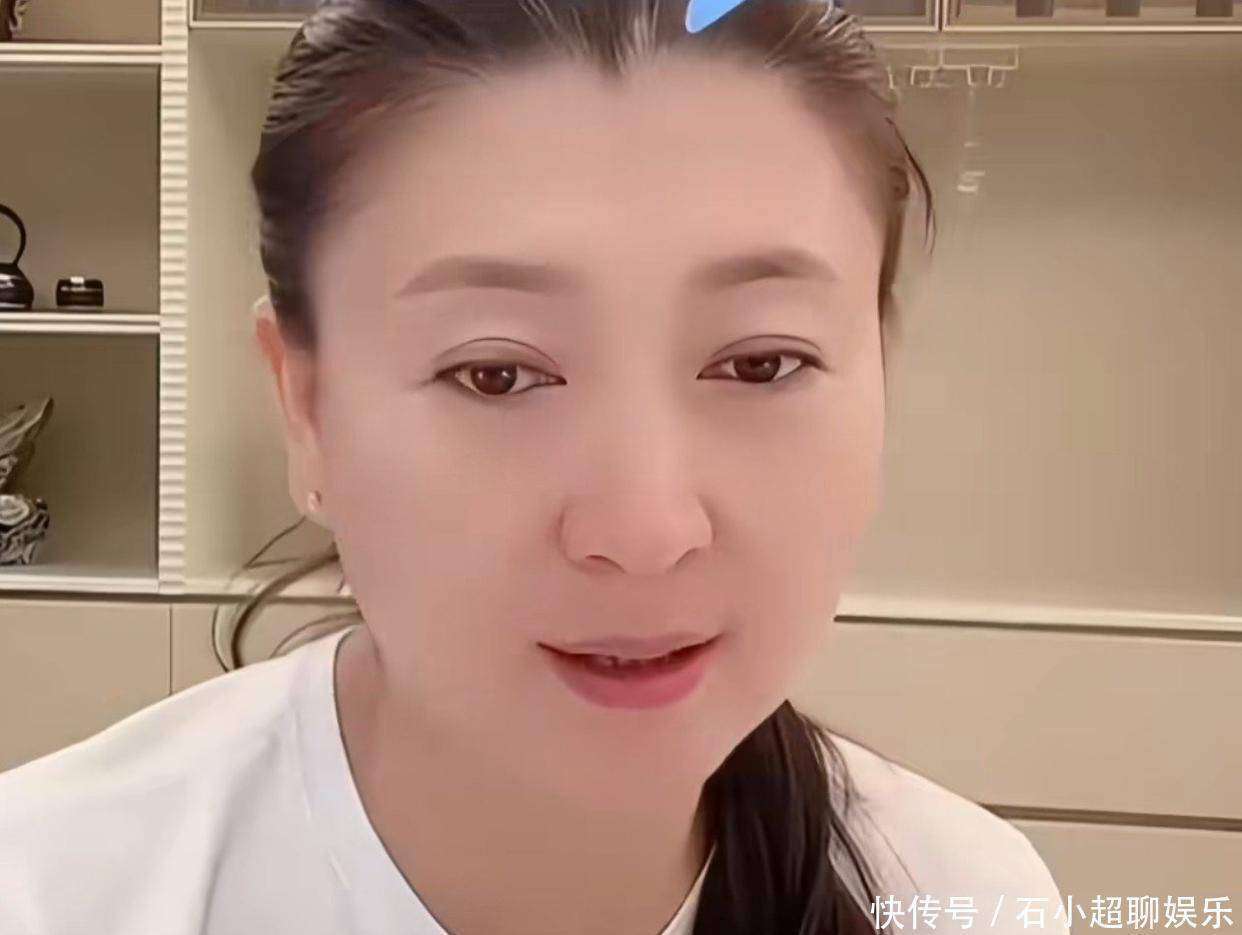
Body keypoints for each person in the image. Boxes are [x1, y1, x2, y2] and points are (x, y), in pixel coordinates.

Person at [0, 1, 1071, 933]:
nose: (645, 529)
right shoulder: (53, 892)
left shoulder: (965, 895)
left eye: (760, 363)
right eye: (498, 375)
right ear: (307, 410)